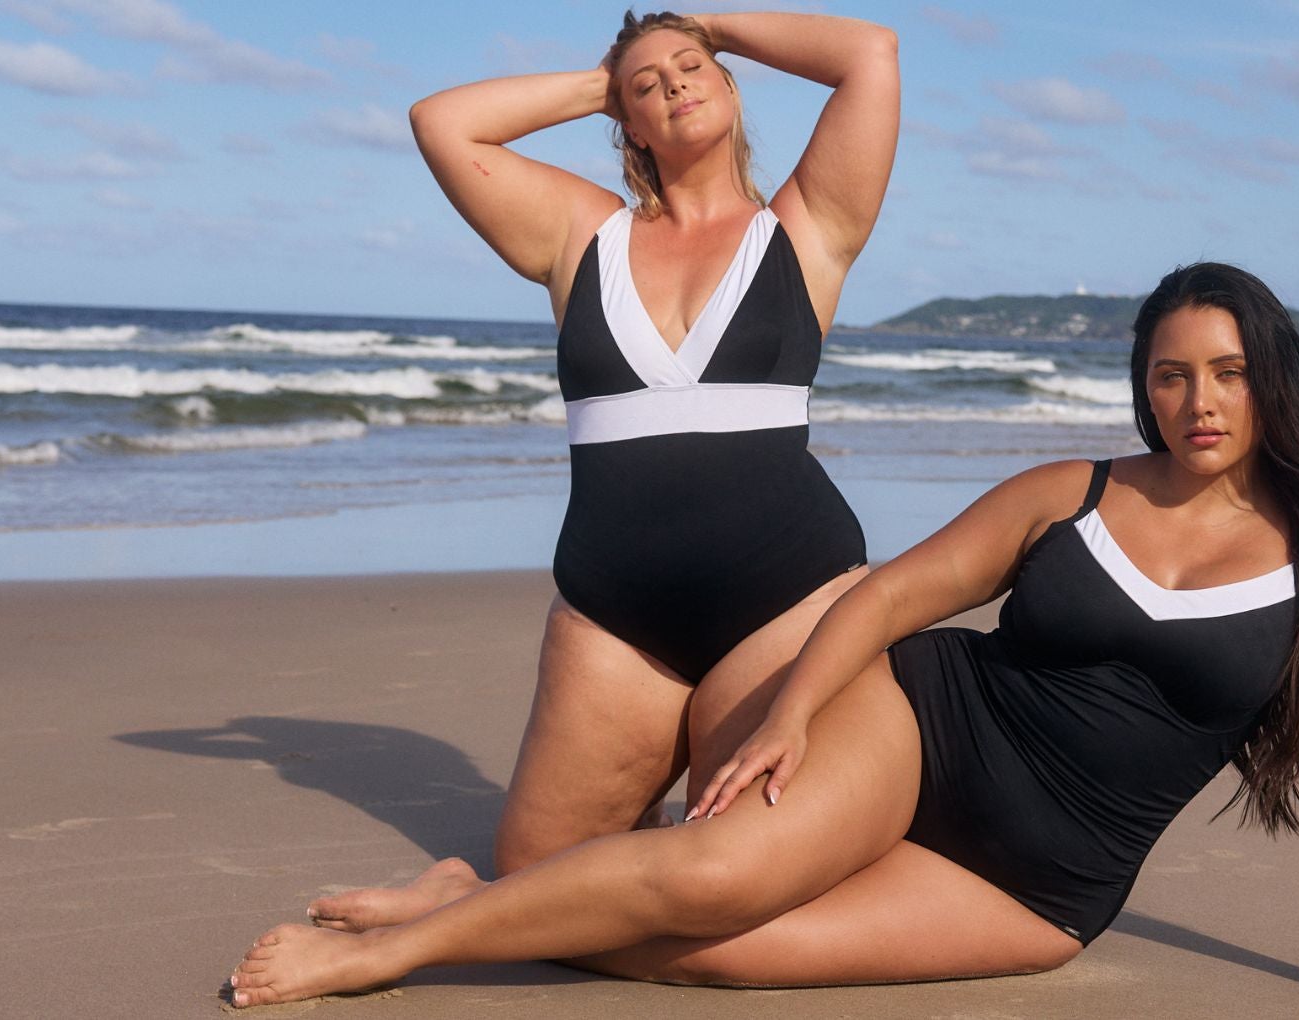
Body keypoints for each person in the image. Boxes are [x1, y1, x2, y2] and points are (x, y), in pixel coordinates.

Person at [226, 263, 1299, 1016]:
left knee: (707, 961)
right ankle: (391, 955)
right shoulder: (1075, 493)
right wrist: (790, 713)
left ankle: (480, 892)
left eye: (1222, 371)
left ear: (1270, 378)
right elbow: (890, 598)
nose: (1197, 401)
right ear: (1141, 385)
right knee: (709, 876)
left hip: (1043, 883)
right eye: (1170, 374)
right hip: (929, 729)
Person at [308, 8, 902, 929]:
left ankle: (589, 866)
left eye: (691, 70)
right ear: (624, 123)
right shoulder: (580, 236)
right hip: (614, 617)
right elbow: (442, 122)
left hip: (788, 603)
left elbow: (869, 55)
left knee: (742, 882)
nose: (672, 81)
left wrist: (707, 28)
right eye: (648, 85)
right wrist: (614, 80)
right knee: (537, 876)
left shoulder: (805, 226)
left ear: (733, 84)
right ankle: (467, 890)